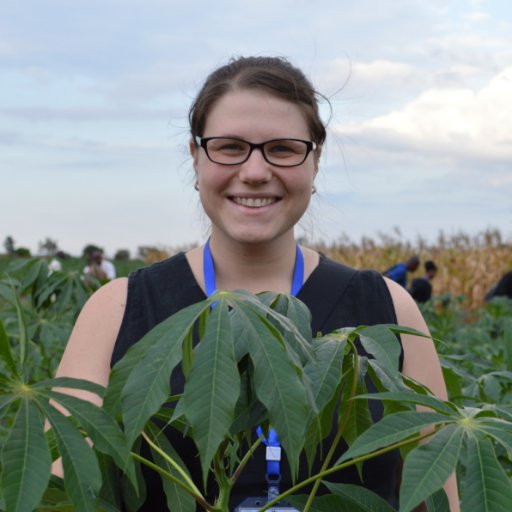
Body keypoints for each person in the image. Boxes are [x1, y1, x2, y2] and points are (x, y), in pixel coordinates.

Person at [54, 56, 458, 510]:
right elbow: (62, 486)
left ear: (316, 161)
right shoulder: (120, 308)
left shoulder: (387, 308)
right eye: (229, 147)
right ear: (195, 156)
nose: (254, 171)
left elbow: (437, 491)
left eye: (283, 149)